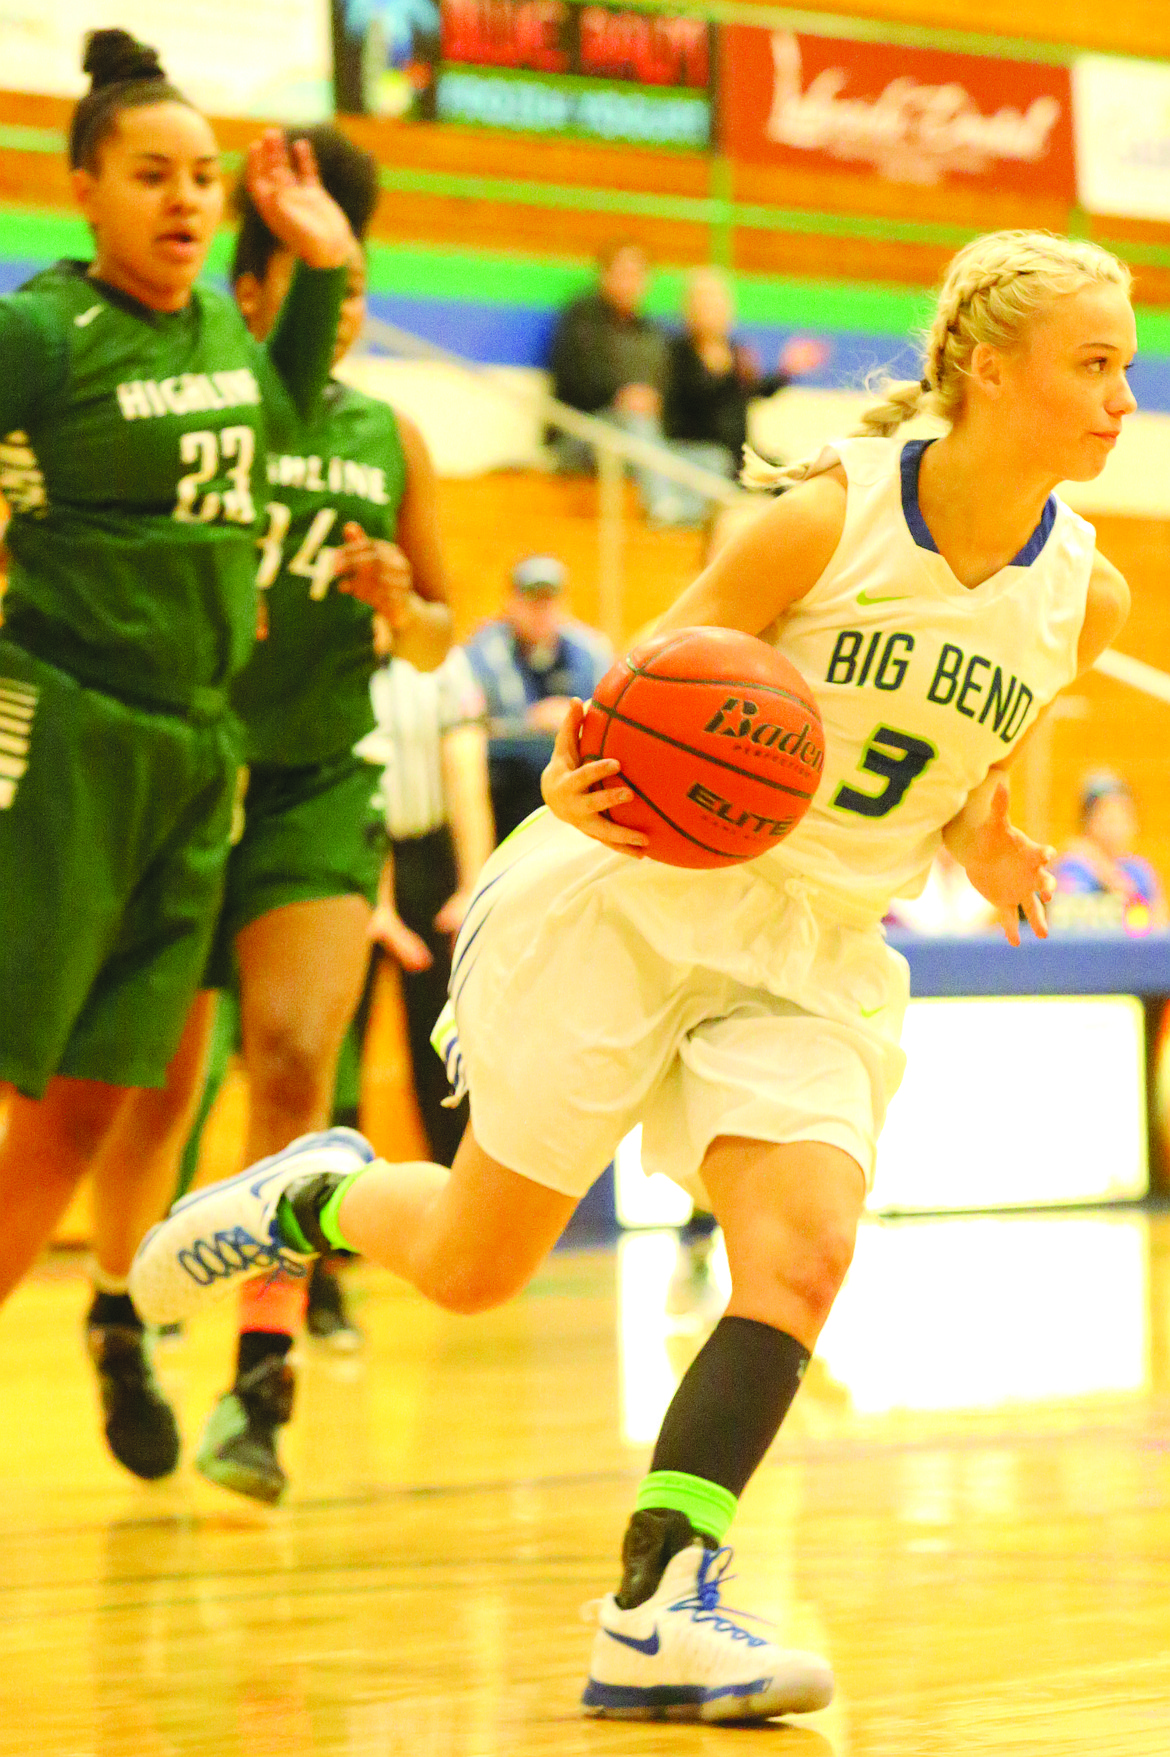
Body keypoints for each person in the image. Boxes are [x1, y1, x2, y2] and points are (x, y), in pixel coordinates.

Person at [132, 227, 1136, 1720]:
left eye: (1124, 366)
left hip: (811, 943)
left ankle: (658, 1603)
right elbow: (646, 688)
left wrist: (985, 845)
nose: (1122, 397)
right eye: (1095, 364)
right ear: (988, 371)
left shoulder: (1084, 596)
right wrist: (584, 775)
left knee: (800, 1253)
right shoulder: (826, 518)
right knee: (476, 1266)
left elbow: (963, 754)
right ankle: (314, 1195)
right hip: (647, 891)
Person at [0, 30, 355, 1479]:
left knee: (93, 1099)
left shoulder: (220, 330)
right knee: (20, 1066)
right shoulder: (38, 332)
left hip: (197, 757)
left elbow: (275, 425)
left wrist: (319, 265)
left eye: (205, 177)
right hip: (64, 725)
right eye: (152, 174)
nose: (186, 199)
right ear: (83, 188)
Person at [87, 122, 452, 1502]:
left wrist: (397, 605)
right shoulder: (203, 408)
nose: (338, 312)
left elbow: (437, 633)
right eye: (312, 290)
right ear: (252, 297)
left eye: (352, 292)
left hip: (312, 778)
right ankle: (121, 1313)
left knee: (297, 1053)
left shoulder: (389, 434)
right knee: (157, 1080)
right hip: (182, 771)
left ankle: (261, 1369)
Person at [359, 632, 495, 1166]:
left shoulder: (443, 663)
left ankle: (454, 1196)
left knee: (444, 1044)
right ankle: (324, 1221)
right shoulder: (336, 658)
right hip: (355, 851)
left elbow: (466, 775)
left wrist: (472, 888)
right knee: (336, 1050)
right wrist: (376, 899)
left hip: (430, 860)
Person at [549, 240, 701, 525]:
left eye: (637, 274)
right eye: (622, 272)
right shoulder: (579, 320)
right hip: (581, 435)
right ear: (604, 275)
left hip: (641, 440)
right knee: (635, 421)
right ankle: (661, 509)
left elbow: (667, 395)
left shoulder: (654, 334)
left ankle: (689, 514)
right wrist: (619, 397)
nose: (629, 282)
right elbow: (571, 382)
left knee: (713, 459)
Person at [463, 554, 612, 839]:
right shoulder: (483, 653)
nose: (542, 609)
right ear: (511, 603)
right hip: (507, 788)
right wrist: (530, 721)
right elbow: (475, 727)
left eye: (550, 599)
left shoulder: (590, 650)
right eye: (532, 599)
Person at [664, 265, 828, 476]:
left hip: (737, 454)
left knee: (787, 475)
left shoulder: (735, 350)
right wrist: (721, 371)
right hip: (699, 457)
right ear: (689, 309)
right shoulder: (677, 352)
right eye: (705, 305)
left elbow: (753, 391)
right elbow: (695, 402)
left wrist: (786, 370)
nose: (714, 312)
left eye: (719, 304)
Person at [1050, 768, 1167, 932]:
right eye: (1108, 817)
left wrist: (1106, 870)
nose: (1116, 828)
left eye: (1123, 817)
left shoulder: (1140, 871)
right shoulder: (1072, 868)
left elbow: (1158, 928)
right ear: (1087, 821)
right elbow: (1066, 924)